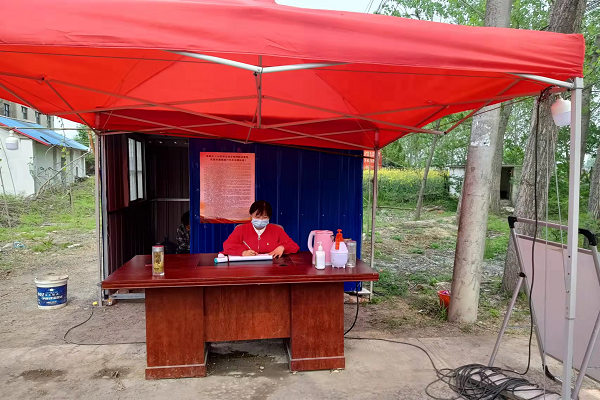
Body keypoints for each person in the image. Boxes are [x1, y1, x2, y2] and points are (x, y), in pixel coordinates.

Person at [223, 200, 299, 257]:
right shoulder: (240, 229)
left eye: (265, 217)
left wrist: (282, 248)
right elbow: (227, 246)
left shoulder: (277, 230)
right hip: (246, 268)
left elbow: (294, 246)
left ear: (269, 217)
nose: (261, 220)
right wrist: (243, 252)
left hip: (271, 268)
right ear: (251, 214)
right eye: (257, 217)